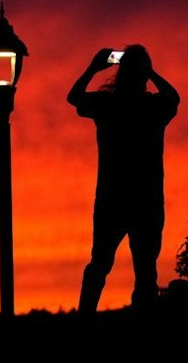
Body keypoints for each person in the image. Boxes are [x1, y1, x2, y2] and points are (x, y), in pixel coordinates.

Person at [68, 45, 181, 313]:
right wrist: (150, 71)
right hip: (146, 200)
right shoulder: (152, 107)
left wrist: (94, 67)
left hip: (113, 199)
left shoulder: (108, 105)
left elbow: (74, 97)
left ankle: (85, 321)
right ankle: (143, 327)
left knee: (101, 264)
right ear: (143, 74)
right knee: (145, 271)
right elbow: (174, 97)